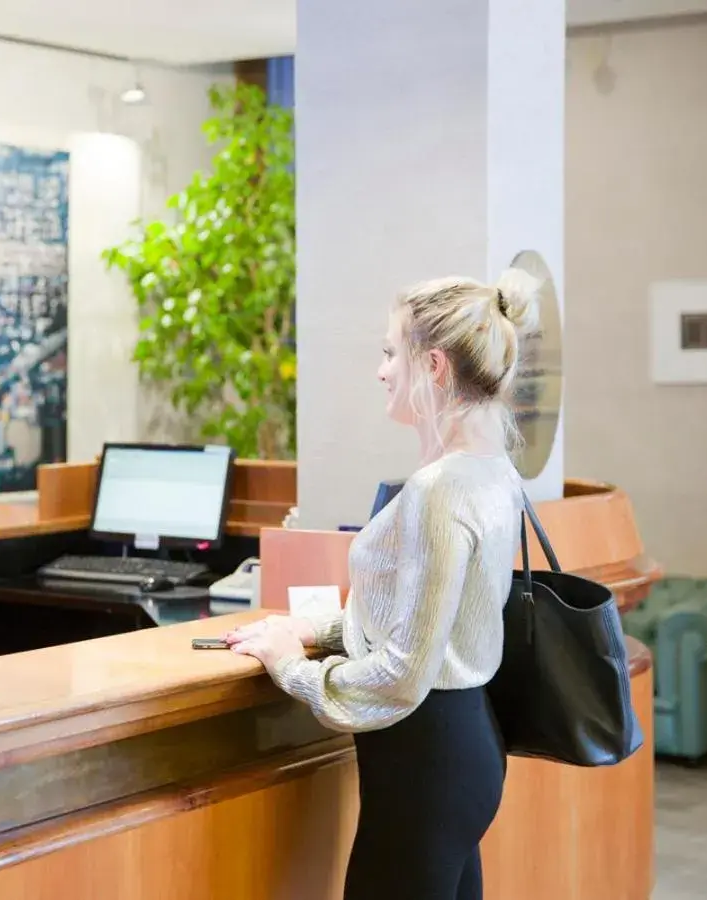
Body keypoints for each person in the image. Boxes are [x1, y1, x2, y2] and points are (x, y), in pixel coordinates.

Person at [225, 268, 542, 900]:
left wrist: (291, 666)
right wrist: (312, 629)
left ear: (433, 367)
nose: (381, 370)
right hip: (467, 745)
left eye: (390, 352)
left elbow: (403, 671)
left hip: (425, 760)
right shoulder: (494, 470)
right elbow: (427, 616)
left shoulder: (436, 489)